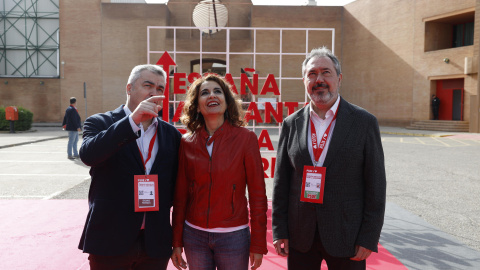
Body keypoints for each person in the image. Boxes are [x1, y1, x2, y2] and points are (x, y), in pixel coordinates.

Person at [272, 47, 386, 270]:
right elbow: (281, 183)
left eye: (326, 73)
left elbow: (376, 185)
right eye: (312, 74)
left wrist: (368, 236)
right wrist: (280, 230)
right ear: (304, 80)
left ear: (339, 78)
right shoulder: (290, 124)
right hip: (300, 235)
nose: (319, 80)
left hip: (347, 236)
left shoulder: (364, 122)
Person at [78, 64, 182, 270]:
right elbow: (89, 155)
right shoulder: (100, 122)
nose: (154, 92)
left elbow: (177, 186)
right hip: (110, 239)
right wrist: (132, 121)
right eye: (148, 85)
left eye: (160, 89)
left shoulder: (172, 135)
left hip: (155, 243)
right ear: (129, 88)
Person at [171, 74, 268, 270]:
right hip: (194, 236)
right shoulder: (187, 143)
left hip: (234, 237)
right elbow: (180, 196)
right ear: (197, 106)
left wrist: (258, 242)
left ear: (226, 101)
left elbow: (258, 195)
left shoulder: (246, 139)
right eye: (204, 93)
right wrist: (177, 242)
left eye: (218, 91)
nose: (212, 95)